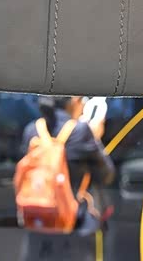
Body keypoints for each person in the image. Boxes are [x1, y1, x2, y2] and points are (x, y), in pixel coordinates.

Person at [20, 96, 115, 233]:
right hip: (74, 225)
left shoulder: (32, 130)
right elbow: (107, 175)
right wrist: (95, 138)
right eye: (82, 100)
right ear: (74, 100)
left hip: (36, 221)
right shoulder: (80, 131)